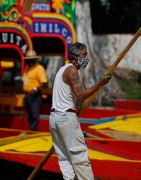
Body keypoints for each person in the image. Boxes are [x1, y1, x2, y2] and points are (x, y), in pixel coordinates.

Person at [49, 42, 111, 180]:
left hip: (54, 118)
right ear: (75, 57)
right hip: (65, 117)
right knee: (79, 156)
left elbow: (78, 100)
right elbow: (81, 95)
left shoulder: (63, 70)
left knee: (64, 157)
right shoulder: (72, 71)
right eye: (84, 54)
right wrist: (100, 84)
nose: (87, 57)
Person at [23, 49, 47, 131]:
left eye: (31, 59)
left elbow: (43, 82)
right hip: (27, 95)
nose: (29, 61)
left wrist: (34, 89)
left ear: (35, 59)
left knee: (34, 114)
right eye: (28, 59)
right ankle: (31, 129)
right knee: (29, 114)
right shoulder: (27, 68)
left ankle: (33, 130)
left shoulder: (39, 68)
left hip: (34, 95)